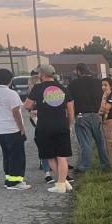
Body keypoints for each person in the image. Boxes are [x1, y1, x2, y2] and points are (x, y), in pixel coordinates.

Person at [24, 64, 74, 194]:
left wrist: (38, 104)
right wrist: (69, 124)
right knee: (62, 156)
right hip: (61, 125)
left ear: (42, 74)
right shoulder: (63, 88)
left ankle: (61, 184)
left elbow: (27, 105)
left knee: (50, 156)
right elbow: (70, 109)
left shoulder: (38, 88)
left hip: (45, 127)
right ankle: (64, 183)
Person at [0, 68, 31, 191]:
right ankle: (16, 182)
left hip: (0, 129)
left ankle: (9, 179)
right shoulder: (11, 94)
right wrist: (22, 128)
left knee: (7, 155)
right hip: (12, 129)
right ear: (10, 79)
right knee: (17, 156)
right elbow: (16, 113)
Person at [67, 63, 108, 173]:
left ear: (79, 71)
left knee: (85, 143)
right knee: (101, 142)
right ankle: (106, 164)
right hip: (97, 115)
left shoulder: (74, 84)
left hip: (81, 116)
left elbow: (68, 100)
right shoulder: (98, 83)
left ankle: (85, 166)